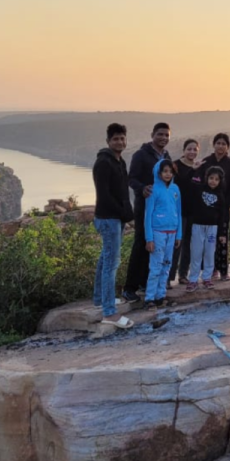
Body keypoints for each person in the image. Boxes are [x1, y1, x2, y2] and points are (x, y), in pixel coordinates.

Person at [92, 123, 135, 328]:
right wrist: (124, 214)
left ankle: (100, 299)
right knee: (111, 263)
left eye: (122, 138)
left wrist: (127, 214)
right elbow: (105, 196)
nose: (119, 141)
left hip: (115, 218)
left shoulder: (120, 162)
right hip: (108, 218)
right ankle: (109, 313)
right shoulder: (103, 163)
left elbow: (123, 193)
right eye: (115, 139)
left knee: (105, 258)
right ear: (108, 141)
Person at [123, 122, 171, 303]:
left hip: (160, 210)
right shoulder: (141, 155)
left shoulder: (166, 155)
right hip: (144, 207)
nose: (163, 138)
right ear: (152, 134)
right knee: (141, 244)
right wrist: (142, 188)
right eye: (160, 134)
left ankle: (145, 282)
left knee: (154, 246)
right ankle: (129, 288)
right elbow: (131, 179)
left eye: (166, 135)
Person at [198, 133, 230, 282]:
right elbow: (200, 183)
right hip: (206, 208)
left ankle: (223, 271)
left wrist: (224, 203)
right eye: (218, 143)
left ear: (227, 146)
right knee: (207, 241)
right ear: (213, 144)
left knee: (222, 239)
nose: (220, 146)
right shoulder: (206, 162)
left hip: (223, 209)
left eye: (223, 143)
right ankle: (210, 270)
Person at [143, 160, 182, 310]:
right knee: (155, 266)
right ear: (158, 173)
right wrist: (149, 238)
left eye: (170, 171)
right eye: (165, 171)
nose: (168, 174)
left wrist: (179, 235)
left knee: (167, 265)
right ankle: (149, 298)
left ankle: (161, 296)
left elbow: (178, 212)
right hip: (158, 233)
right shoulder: (153, 190)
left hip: (172, 233)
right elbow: (148, 215)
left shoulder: (175, 189)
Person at [186, 166, 226, 292]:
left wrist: (222, 233)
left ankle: (207, 278)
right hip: (197, 226)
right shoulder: (199, 189)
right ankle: (193, 280)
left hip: (212, 229)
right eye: (211, 178)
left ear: (220, 181)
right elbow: (189, 182)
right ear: (206, 178)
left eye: (216, 179)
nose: (213, 181)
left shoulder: (220, 195)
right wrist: (193, 170)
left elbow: (222, 216)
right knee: (196, 253)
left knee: (209, 253)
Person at [170, 139, 201, 285]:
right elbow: (177, 184)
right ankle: (169, 277)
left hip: (193, 211)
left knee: (189, 244)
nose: (192, 152)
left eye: (195, 149)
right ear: (184, 150)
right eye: (189, 149)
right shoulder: (175, 166)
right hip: (178, 211)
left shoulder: (198, 167)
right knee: (176, 243)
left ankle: (183, 274)